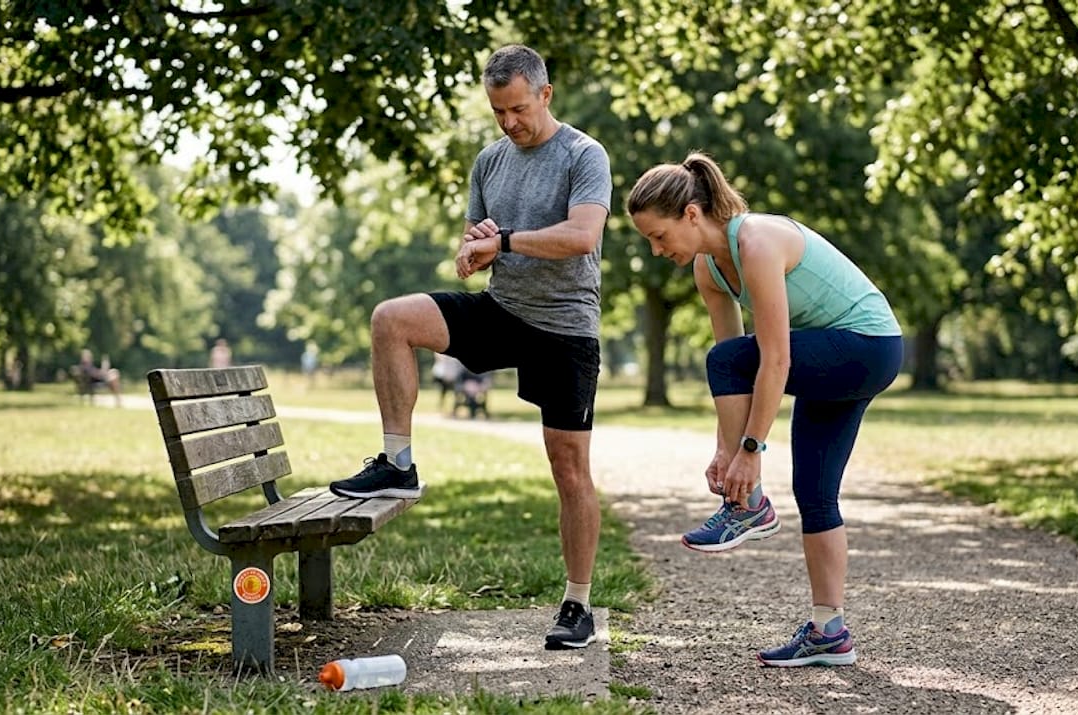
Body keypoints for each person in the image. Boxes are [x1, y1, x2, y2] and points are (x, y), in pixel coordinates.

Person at [328, 44, 612, 651]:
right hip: (502, 310)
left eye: (517, 109)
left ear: (545, 94)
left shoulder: (583, 155)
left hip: (565, 326)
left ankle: (577, 603)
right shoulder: (489, 162)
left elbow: (583, 236)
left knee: (569, 469)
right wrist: (471, 250)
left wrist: (503, 241)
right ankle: (397, 464)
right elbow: (470, 253)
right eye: (498, 112)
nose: (509, 123)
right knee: (391, 320)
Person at [625, 152, 903, 667]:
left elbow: (773, 359)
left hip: (866, 344)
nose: (656, 249)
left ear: (691, 213)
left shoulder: (756, 241)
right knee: (816, 493)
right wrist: (723, 451)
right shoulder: (709, 270)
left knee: (731, 359)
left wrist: (749, 455)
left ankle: (748, 504)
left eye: (659, 235)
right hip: (838, 352)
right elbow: (733, 375)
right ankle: (830, 631)